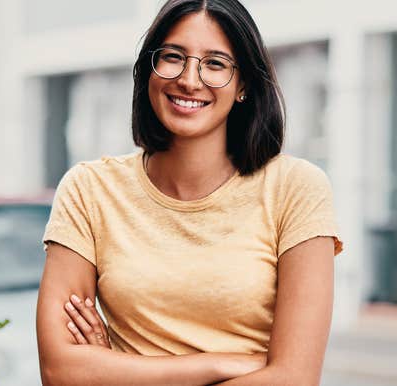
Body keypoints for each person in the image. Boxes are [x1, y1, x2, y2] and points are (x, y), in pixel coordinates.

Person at [35, 0, 343, 384]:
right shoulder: (89, 190)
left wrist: (116, 372)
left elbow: (294, 379)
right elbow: (61, 371)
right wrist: (217, 364)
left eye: (215, 63)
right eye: (173, 57)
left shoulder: (296, 189)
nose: (189, 80)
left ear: (243, 83)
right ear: (149, 68)